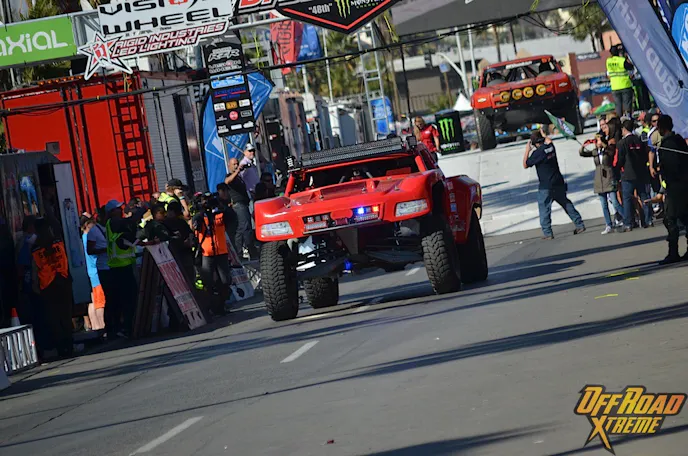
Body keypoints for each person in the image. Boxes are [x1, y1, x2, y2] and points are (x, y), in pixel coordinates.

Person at [523, 129, 586, 239]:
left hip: (546, 185)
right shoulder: (551, 147)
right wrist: (544, 134)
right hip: (558, 181)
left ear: (534, 143)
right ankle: (579, 224)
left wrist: (527, 150)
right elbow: (549, 141)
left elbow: (525, 164)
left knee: (544, 209)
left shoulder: (537, 153)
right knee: (566, 203)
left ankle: (548, 233)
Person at [31, 218, 74, 358]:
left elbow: (34, 270)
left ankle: (61, 348)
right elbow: (65, 259)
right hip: (63, 281)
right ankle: (69, 346)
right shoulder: (58, 242)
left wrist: (36, 287)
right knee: (66, 316)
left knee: (53, 319)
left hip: (47, 286)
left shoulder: (35, 249)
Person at [104, 199, 143, 338]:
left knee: (127, 297)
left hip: (124, 265)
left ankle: (127, 326)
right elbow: (129, 222)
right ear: (111, 212)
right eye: (117, 209)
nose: (120, 210)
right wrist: (142, 210)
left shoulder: (117, 223)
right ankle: (126, 327)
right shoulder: (114, 222)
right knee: (127, 298)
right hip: (119, 267)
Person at [655, 115, 688, 264]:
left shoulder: (669, 143)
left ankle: (673, 252)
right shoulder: (679, 140)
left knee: (670, 219)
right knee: (685, 217)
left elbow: (672, 166)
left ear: (662, 127)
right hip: (683, 184)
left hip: (675, 187)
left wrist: (663, 169)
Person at [193, 198, 231, 316]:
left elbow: (231, 218)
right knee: (208, 282)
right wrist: (201, 212)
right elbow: (195, 226)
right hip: (206, 253)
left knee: (225, 281)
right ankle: (211, 307)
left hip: (221, 252)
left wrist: (219, 205)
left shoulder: (220, 214)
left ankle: (221, 305)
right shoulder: (199, 217)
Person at [579, 135, 624, 234]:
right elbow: (583, 154)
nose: (597, 143)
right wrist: (583, 146)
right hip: (599, 180)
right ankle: (608, 225)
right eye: (596, 141)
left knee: (615, 202)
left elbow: (611, 153)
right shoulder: (595, 152)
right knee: (604, 205)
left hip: (609, 177)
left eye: (598, 140)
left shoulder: (608, 150)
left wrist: (603, 145)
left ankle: (627, 218)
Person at [617, 119, 653, 231]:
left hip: (628, 174)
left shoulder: (622, 143)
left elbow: (620, 159)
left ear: (624, 129)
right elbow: (645, 155)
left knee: (627, 198)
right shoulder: (639, 140)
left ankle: (628, 223)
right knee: (644, 196)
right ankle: (649, 219)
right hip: (640, 172)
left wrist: (618, 169)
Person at [225, 158, 258, 261]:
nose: (236, 166)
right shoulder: (230, 176)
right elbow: (227, 181)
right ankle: (245, 251)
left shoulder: (239, 177)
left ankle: (242, 251)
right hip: (239, 205)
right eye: (234, 164)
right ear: (229, 166)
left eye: (237, 164)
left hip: (244, 203)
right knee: (245, 227)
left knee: (243, 227)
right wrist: (237, 171)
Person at [81, 215, 105, 332]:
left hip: (89, 273)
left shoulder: (82, 238)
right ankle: (101, 325)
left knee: (92, 302)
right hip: (96, 272)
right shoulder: (90, 239)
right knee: (100, 303)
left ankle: (95, 326)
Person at [606, 44, 635, 117]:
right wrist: (626, 58)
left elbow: (608, 74)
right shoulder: (621, 60)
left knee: (618, 105)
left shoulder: (608, 61)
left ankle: (619, 119)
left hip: (615, 87)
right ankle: (627, 119)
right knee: (627, 104)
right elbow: (631, 67)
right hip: (625, 85)